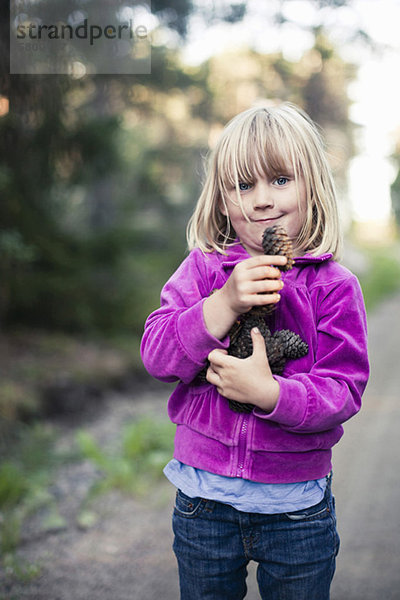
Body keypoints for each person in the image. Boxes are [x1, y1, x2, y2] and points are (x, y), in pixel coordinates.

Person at [140, 103, 369, 600]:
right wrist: (220, 305)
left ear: (312, 185)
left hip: (296, 508)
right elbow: (158, 356)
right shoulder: (203, 271)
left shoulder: (334, 287)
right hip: (204, 500)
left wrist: (271, 394)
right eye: (243, 185)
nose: (262, 201)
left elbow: (344, 390)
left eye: (281, 179)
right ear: (222, 201)